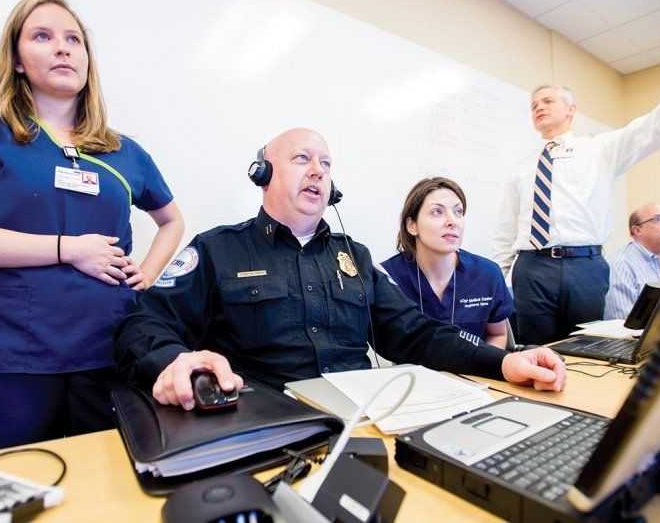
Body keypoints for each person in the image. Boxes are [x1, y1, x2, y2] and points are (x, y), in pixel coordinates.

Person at [115, 128, 566, 410]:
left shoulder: (357, 257)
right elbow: (142, 323)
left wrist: (504, 361)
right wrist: (177, 362)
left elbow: (416, 333)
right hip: (265, 421)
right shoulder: (217, 250)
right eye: (302, 159)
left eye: (326, 163)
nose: (317, 171)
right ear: (263, 174)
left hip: (361, 423)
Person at [0, 0, 184, 453]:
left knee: (108, 488)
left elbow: (171, 220)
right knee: (16, 487)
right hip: (7, 355)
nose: (63, 48)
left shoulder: (123, 152)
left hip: (107, 349)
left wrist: (148, 272)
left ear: (87, 60)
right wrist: (68, 247)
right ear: (17, 60)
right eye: (42, 36)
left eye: (73, 40)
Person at [490, 17, 660, 345]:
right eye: (534, 105)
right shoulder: (521, 167)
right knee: (535, 350)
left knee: (587, 349)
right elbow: (505, 232)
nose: (539, 107)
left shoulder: (600, 149)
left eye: (548, 101)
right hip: (531, 269)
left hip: (585, 267)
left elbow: (659, 125)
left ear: (571, 109)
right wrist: (496, 281)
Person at [380, 177, 512, 349]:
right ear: (412, 225)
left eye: (458, 212)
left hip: (471, 372)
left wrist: (484, 367)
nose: (452, 221)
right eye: (437, 212)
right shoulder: (387, 277)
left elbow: (497, 334)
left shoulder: (487, 274)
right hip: (412, 374)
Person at [603, 204, 660, 321]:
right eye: (658, 219)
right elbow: (623, 322)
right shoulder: (620, 264)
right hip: (633, 336)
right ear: (637, 230)